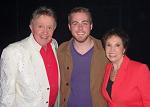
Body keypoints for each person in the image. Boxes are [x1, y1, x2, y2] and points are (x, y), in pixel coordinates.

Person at [0, 6, 60, 107]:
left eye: (49, 27)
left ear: (54, 29)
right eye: (40, 26)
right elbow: (6, 98)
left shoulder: (54, 45)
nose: (45, 32)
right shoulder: (13, 52)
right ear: (31, 27)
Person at [57, 7, 108, 107]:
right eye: (75, 23)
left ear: (91, 26)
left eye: (84, 23)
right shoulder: (61, 51)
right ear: (69, 27)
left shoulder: (105, 50)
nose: (80, 28)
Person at [101, 28, 150, 107]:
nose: (112, 50)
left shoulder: (140, 69)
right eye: (108, 45)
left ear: (124, 49)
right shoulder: (108, 67)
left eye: (117, 45)